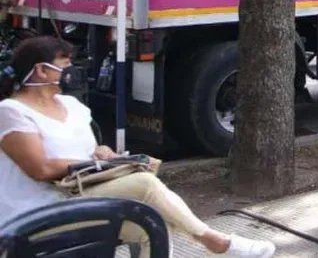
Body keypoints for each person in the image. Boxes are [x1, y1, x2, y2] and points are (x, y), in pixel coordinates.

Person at [0, 37, 275, 257]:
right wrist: (95, 164)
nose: (72, 71)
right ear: (41, 70)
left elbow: (89, 150)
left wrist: (104, 154)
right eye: (65, 65)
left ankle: (216, 241)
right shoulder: (12, 112)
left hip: (79, 196)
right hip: (36, 212)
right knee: (144, 183)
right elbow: (40, 169)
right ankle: (215, 241)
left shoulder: (72, 106)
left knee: (155, 227)